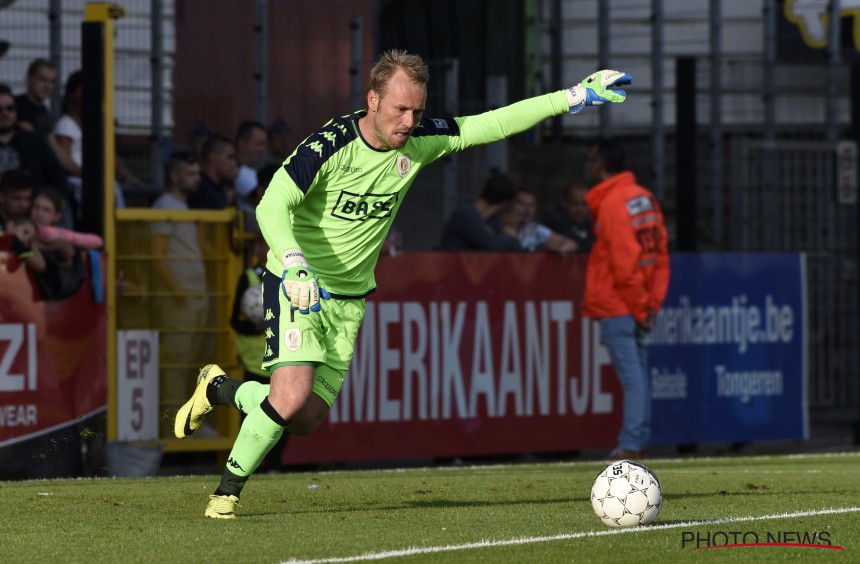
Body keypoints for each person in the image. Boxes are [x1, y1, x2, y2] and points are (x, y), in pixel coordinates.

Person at [173, 50, 631, 519]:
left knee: (305, 418)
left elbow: (492, 123)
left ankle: (219, 389)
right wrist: (292, 264)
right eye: (400, 109)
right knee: (290, 396)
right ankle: (224, 497)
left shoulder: (420, 141)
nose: (410, 120)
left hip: (349, 302)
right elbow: (272, 204)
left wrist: (574, 96)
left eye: (417, 109)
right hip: (298, 284)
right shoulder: (329, 145)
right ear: (373, 99)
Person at [582, 139, 670, 460]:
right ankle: (638, 441)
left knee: (633, 380)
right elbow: (659, 256)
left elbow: (624, 263)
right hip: (639, 304)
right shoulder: (644, 198)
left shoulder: (613, 202)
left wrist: (639, 306)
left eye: (591, 160)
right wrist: (651, 305)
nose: (589, 167)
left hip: (620, 305)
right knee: (640, 377)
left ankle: (630, 445)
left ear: (600, 165)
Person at [151, 151, 209, 434]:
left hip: (194, 298)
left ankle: (187, 423)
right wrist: (179, 293)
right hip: (181, 300)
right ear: (174, 176)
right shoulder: (165, 205)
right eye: (190, 174)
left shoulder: (183, 206)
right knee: (175, 365)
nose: (196, 179)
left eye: (197, 173)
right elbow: (157, 255)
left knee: (189, 364)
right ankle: (173, 426)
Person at [0, 87, 68, 199]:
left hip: (32, 210)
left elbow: (57, 179)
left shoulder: (34, 142)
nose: (5, 113)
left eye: (10, 108)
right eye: (0, 109)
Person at [437, 173, 523, 251]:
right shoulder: (466, 217)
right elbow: (492, 244)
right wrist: (512, 238)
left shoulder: (491, 220)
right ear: (504, 203)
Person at [496, 187, 578, 253]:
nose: (527, 210)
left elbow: (571, 244)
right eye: (522, 204)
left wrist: (559, 248)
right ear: (511, 205)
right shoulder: (497, 225)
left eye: (531, 206)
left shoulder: (534, 229)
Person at [31, 186, 103, 251]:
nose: (39, 213)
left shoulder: (55, 231)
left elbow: (97, 241)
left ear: (57, 216)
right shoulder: (23, 224)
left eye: (46, 210)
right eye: (36, 207)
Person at [187, 134, 237, 210]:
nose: (234, 163)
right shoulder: (199, 188)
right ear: (213, 156)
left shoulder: (220, 188)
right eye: (229, 157)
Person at [543, 180, 595, 253]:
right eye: (575, 204)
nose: (580, 209)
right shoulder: (555, 221)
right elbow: (572, 241)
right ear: (563, 203)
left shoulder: (588, 224)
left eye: (584, 204)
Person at [14, 58, 57, 138]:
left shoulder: (44, 110)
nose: (47, 86)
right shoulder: (14, 106)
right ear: (29, 80)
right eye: (42, 80)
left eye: (52, 82)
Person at [233, 120, 268, 216]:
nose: (262, 150)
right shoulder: (237, 172)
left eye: (264, 145)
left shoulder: (250, 171)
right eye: (258, 144)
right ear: (242, 143)